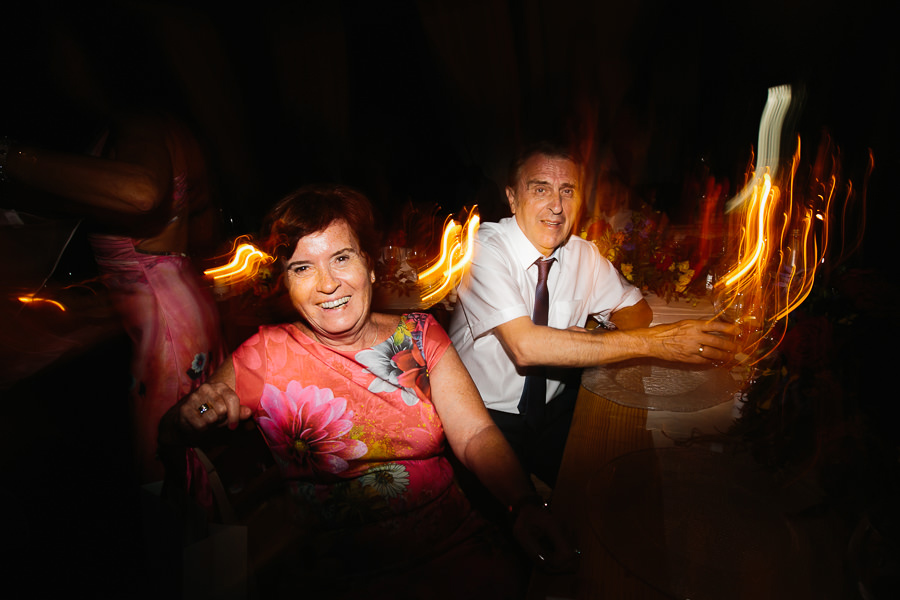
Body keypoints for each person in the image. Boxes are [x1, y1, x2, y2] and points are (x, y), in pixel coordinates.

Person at [158, 184, 576, 599]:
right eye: (303, 267)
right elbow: (170, 433)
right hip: (339, 571)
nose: (327, 284)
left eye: (341, 258)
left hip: (455, 545)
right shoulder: (266, 355)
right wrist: (188, 418)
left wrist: (522, 504)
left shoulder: (419, 334)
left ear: (370, 266)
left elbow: (475, 435)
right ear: (285, 282)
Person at [448, 141, 738, 488]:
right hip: (481, 418)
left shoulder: (583, 254)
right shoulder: (482, 248)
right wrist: (662, 343)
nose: (556, 206)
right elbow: (526, 346)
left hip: (554, 411)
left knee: (620, 487)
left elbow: (636, 311)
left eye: (567, 191)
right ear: (512, 198)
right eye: (540, 189)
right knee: (509, 530)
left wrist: (596, 338)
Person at [1, 112, 225, 484]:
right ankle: (217, 528)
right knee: (196, 435)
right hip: (183, 303)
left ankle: (197, 537)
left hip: (168, 323)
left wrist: (9, 157)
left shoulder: (137, 122)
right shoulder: (173, 128)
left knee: (165, 457)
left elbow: (141, 193)